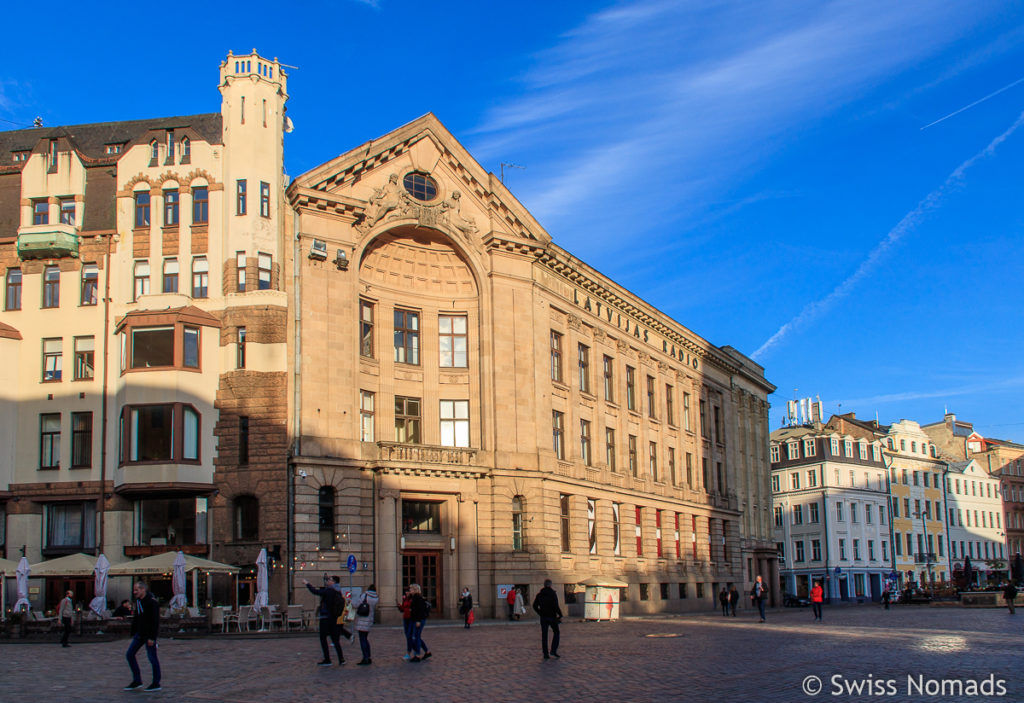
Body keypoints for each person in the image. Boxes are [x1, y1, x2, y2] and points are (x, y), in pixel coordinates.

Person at [123, 580, 161, 692]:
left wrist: (152, 637)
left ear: (143, 589)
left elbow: (155, 621)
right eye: (134, 590)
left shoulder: (152, 602)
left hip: (148, 634)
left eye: (136, 590)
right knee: (130, 655)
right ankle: (137, 680)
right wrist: (134, 631)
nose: (134, 592)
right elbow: (138, 617)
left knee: (152, 658)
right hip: (140, 634)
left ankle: (156, 682)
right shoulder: (138, 601)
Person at [303, 576, 345, 666]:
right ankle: (341, 659)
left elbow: (316, 592)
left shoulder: (329, 590)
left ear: (333, 582)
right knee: (335, 639)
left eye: (329, 580)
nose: (327, 581)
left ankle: (327, 659)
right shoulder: (338, 590)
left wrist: (307, 584)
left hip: (326, 617)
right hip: (333, 618)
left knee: (323, 638)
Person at [532, 578, 563, 660]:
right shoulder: (553, 594)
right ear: (550, 585)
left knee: (544, 635)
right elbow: (556, 605)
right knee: (556, 632)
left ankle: (545, 653)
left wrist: (540, 613)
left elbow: (534, 606)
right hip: (552, 616)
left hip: (544, 617)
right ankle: (553, 650)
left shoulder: (540, 594)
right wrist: (560, 614)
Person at [354, 584, 379, 665]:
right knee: (365, 638)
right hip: (369, 619)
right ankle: (368, 656)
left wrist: (350, 602)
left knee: (362, 639)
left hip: (362, 619)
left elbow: (356, 605)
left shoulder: (364, 595)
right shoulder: (376, 597)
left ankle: (365, 657)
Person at [408, 583, 431, 662]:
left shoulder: (418, 598)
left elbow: (420, 610)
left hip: (419, 620)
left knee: (416, 637)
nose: (409, 590)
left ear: (415, 590)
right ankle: (427, 652)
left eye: (411, 589)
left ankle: (417, 655)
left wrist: (418, 621)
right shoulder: (414, 597)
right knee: (417, 637)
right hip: (416, 619)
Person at [329, 576, 355, 642]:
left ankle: (337, 641)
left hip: (338, 613)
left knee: (337, 628)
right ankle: (348, 636)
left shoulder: (334, 589)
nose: (329, 581)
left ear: (334, 581)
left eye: (331, 580)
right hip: (340, 612)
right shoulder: (338, 589)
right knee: (339, 628)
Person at [398, 587, 415, 660]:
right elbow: (403, 609)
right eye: (406, 591)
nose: (406, 592)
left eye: (408, 591)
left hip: (411, 619)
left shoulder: (413, 599)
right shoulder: (405, 599)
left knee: (410, 636)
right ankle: (423, 651)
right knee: (409, 636)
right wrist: (400, 606)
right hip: (406, 619)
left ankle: (410, 653)